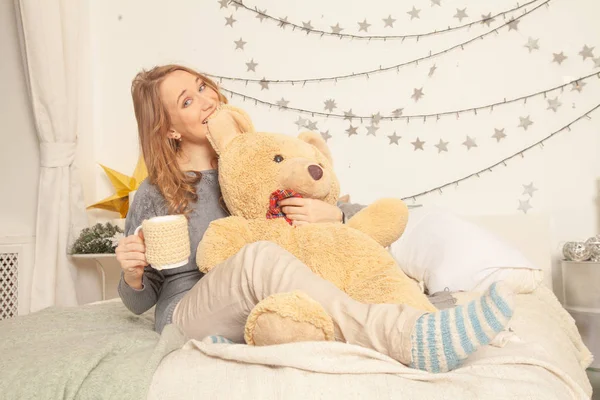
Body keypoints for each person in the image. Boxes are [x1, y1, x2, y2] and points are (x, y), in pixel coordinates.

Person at [116, 64, 515, 374]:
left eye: (202, 86)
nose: (206, 100)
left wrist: (335, 215)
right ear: (167, 129)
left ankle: (245, 345)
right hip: (188, 312)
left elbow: (348, 225)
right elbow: (141, 300)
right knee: (259, 257)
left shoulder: (249, 160)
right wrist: (132, 275)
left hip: (256, 302)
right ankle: (407, 336)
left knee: (302, 283)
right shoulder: (156, 191)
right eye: (187, 101)